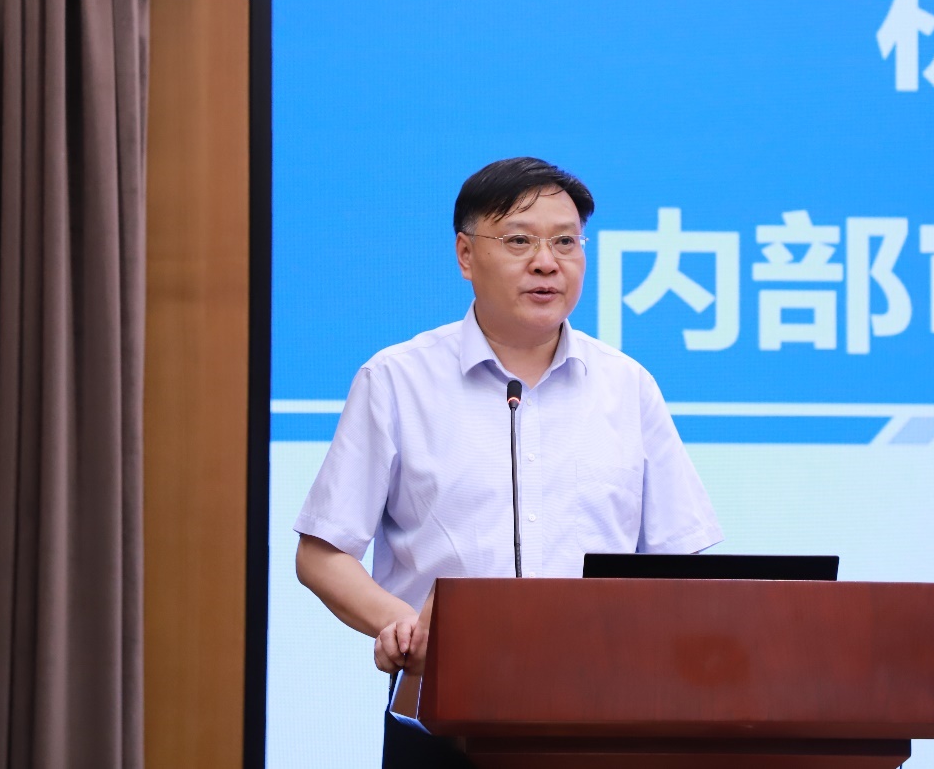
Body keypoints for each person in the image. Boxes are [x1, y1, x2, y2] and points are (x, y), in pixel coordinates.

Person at [294, 157, 723, 677]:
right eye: (520, 241)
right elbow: (322, 553)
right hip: (447, 689)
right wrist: (406, 626)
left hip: (602, 693)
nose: (547, 262)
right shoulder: (396, 380)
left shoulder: (627, 386)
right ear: (466, 254)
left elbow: (678, 561)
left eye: (565, 242)